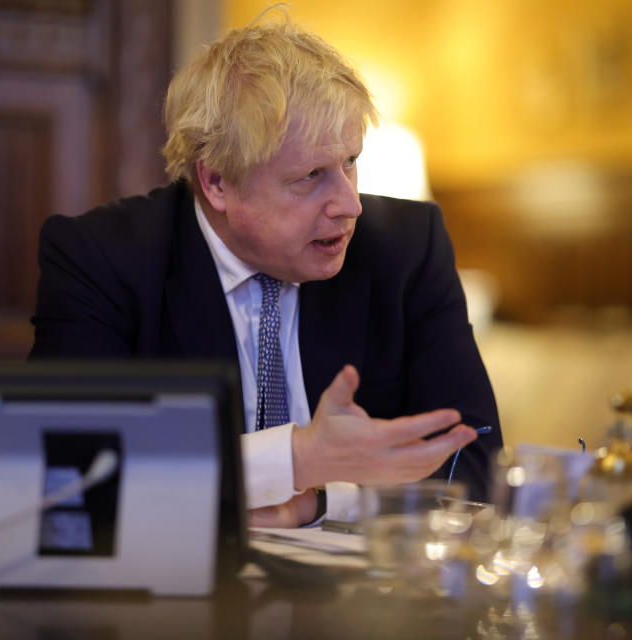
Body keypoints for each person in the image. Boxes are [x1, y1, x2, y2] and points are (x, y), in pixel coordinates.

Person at [29, 14, 502, 527]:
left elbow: (475, 466)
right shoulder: (102, 259)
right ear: (216, 183)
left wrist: (324, 498)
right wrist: (295, 459)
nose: (350, 205)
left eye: (349, 162)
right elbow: (69, 476)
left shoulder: (405, 249)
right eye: (311, 176)